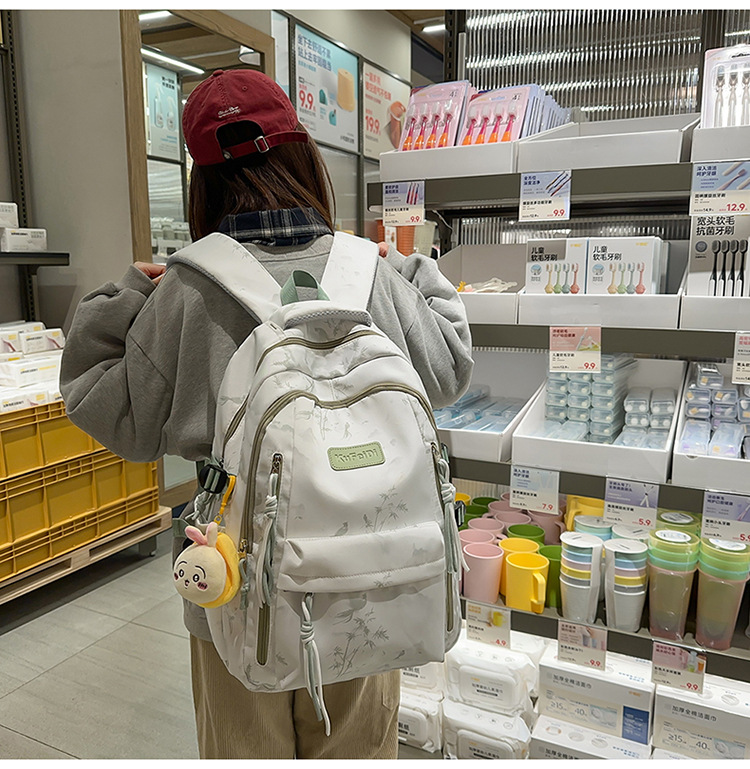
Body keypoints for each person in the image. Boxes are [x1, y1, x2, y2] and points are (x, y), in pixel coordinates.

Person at [60, 69, 473, 760]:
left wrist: (130, 292)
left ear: (202, 181)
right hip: (367, 576)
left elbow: (109, 408)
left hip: (228, 584)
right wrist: (406, 269)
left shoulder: (185, 289)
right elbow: (450, 367)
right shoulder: (366, 272)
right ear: (303, 156)